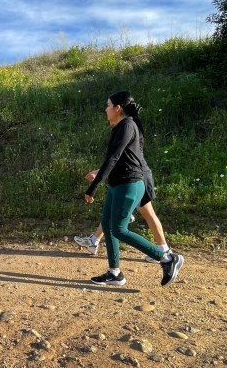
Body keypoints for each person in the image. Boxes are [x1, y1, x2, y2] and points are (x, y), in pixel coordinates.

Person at [83, 91, 183, 286]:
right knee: (108, 225)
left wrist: (93, 187)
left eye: (108, 105)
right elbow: (117, 159)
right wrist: (100, 174)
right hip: (117, 184)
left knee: (119, 229)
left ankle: (167, 259)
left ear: (118, 108)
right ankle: (115, 273)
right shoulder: (121, 127)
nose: (106, 109)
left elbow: (113, 158)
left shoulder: (127, 125)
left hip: (129, 184)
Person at [74, 164, 169, 263]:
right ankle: (94, 240)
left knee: (147, 214)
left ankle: (163, 253)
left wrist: (99, 172)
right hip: (136, 176)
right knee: (115, 212)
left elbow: (117, 158)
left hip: (137, 177)